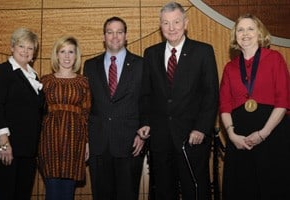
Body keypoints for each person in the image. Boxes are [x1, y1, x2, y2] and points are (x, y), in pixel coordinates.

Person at [138, 2, 219, 200]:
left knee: (194, 189)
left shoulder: (203, 52)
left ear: (186, 23)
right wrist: (145, 122)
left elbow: (211, 94)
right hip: (160, 138)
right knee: (164, 191)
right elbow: (145, 93)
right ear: (160, 26)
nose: (171, 28)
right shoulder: (151, 53)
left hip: (192, 136)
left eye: (176, 22)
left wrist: (201, 128)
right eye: (166, 23)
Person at [219, 13, 290, 200]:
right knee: (242, 189)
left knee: (273, 188)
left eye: (250, 28)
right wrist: (232, 135)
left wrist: (263, 133)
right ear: (235, 36)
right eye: (240, 30)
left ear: (260, 33)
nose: (245, 33)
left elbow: (283, 101)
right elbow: (224, 106)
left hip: (273, 134)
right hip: (240, 138)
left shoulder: (275, 58)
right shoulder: (230, 67)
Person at [83, 16, 145, 200]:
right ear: (104, 37)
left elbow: (147, 101)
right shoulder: (90, 66)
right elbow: (86, 105)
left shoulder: (141, 64)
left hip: (130, 144)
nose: (115, 36)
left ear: (126, 36)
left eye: (119, 32)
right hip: (98, 144)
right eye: (110, 32)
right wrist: (86, 139)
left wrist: (142, 134)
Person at [0, 27, 44, 200]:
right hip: (4, 148)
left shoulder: (34, 76)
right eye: (21, 46)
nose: (26, 51)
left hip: (27, 150)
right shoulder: (3, 71)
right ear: (12, 47)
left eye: (30, 48)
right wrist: (4, 143)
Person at [37, 36, 91, 200]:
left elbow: (86, 113)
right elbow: (37, 113)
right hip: (49, 139)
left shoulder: (83, 82)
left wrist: (87, 142)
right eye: (62, 52)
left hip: (75, 139)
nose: (67, 56)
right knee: (52, 188)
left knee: (68, 191)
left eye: (71, 52)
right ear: (56, 55)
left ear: (76, 56)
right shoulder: (45, 81)